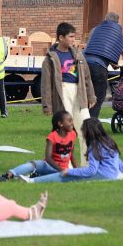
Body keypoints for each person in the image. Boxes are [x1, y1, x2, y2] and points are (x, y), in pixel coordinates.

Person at [41, 22, 95, 163]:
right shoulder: (50, 58)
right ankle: (65, 165)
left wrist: (91, 95)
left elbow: (87, 76)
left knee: (86, 128)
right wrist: (47, 105)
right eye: (71, 36)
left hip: (79, 93)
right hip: (62, 93)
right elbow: (46, 84)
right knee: (65, 131)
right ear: (61, 37)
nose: (73, 40)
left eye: (74, 36)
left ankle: (87, 164)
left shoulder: (78, 54)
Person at [30, 118, 123, 182]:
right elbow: (120, 165)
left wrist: (71, 171)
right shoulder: (109, 142)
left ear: (88, 132)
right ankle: (35, 178)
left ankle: (33, 181)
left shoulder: (94, 145)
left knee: (65, 176)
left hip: (102, 176)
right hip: (112, 175)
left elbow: (92, 170)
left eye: (83, 130)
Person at [0, 110, 77, 181]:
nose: (72, 123)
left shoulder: (73, 134)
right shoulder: (52, 137)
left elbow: (72, 155)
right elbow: (48, 158)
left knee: (54, 178)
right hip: (49, 166)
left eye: (72, 120)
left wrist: (78, 172)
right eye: (69, 121)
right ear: (60, 124)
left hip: (63, 170)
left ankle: (34, 177)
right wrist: (61, 170)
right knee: (33, 164)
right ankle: (10, 174)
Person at [84, 13, 123, 118]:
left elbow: (92, 48)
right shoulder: (116, 33)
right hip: (99, 68)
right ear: (117, 22)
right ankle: (91, 124)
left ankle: (77, 123)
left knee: (83, 95)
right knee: (98, 97)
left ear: (105, 19)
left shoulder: (95, 30)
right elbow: (120, 52)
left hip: (84, 64)